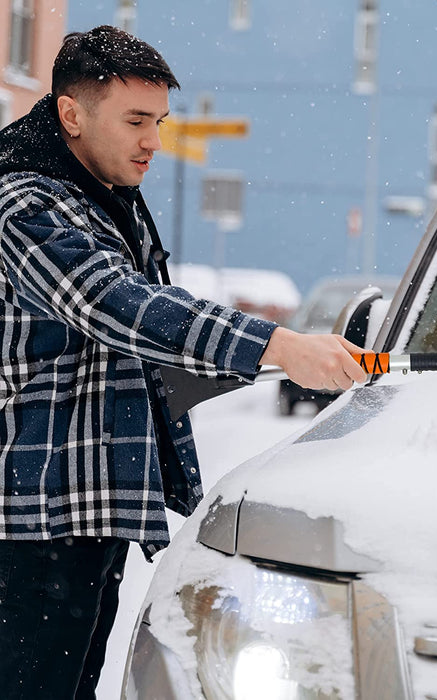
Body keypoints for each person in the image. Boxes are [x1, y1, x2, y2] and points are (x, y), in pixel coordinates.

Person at [0, 25, 366, 699]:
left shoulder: (102, 204)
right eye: (136, 121)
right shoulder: (24, 205)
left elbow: (149, 345)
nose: (154, 143)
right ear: (71, 113)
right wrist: (276, 343)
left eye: (160, 122)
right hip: (30, 522)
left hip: (86, 514)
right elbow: (119, 305)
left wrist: (280, 363)